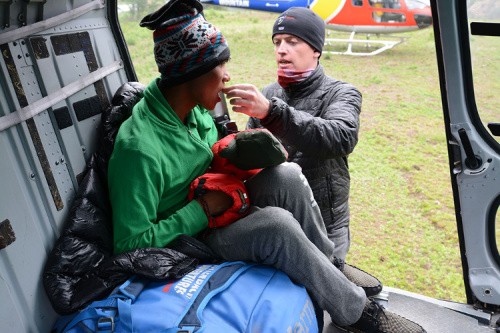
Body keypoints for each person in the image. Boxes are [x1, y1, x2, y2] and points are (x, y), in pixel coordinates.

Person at [107, 1, 425, 332]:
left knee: (286, 174)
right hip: (195, 235)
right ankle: (357, 312)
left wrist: (237, 152)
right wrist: (201, 210)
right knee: (276, 225)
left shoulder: (195, 110)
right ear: (194, 72)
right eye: (222, 65)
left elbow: (336, 136)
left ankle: (330, 265)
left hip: (219, 200)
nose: (227, 75)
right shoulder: (138, 149)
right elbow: (129, 245)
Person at [223, 7, 359, 261]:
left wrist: (272, 112)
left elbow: (341, 137)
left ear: (316, 49)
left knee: (327, 291)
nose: (281, 49)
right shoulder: (269, 93)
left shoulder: (341, 93)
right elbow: (251, 163)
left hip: (327, 226)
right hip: (280, 222)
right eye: (277, 42)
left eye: (292, 42)